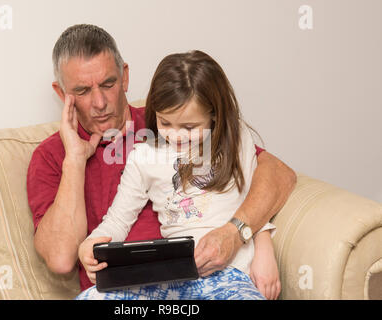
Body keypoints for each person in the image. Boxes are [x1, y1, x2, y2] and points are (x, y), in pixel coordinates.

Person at [26, 24, 297, 297]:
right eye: (83, 91)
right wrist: (74, 159)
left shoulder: (177, 114)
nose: (99, 102)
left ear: (125, 77)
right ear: (62, 95)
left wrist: (243, 235)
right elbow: (65, 256)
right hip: (135, 290)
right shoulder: (53, 156)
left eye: (108, 84)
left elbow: (274, 174)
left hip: (220, 274)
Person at [76, 50, 278, 300]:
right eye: (165, 123)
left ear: (214, 114)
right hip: (170, 279)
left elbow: (257, 200)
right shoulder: (143, 156)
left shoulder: (236, 139)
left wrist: (265, 253)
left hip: (232, 275)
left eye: (190, 127)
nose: (176, 135)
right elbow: (117, 221)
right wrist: (91, 244)